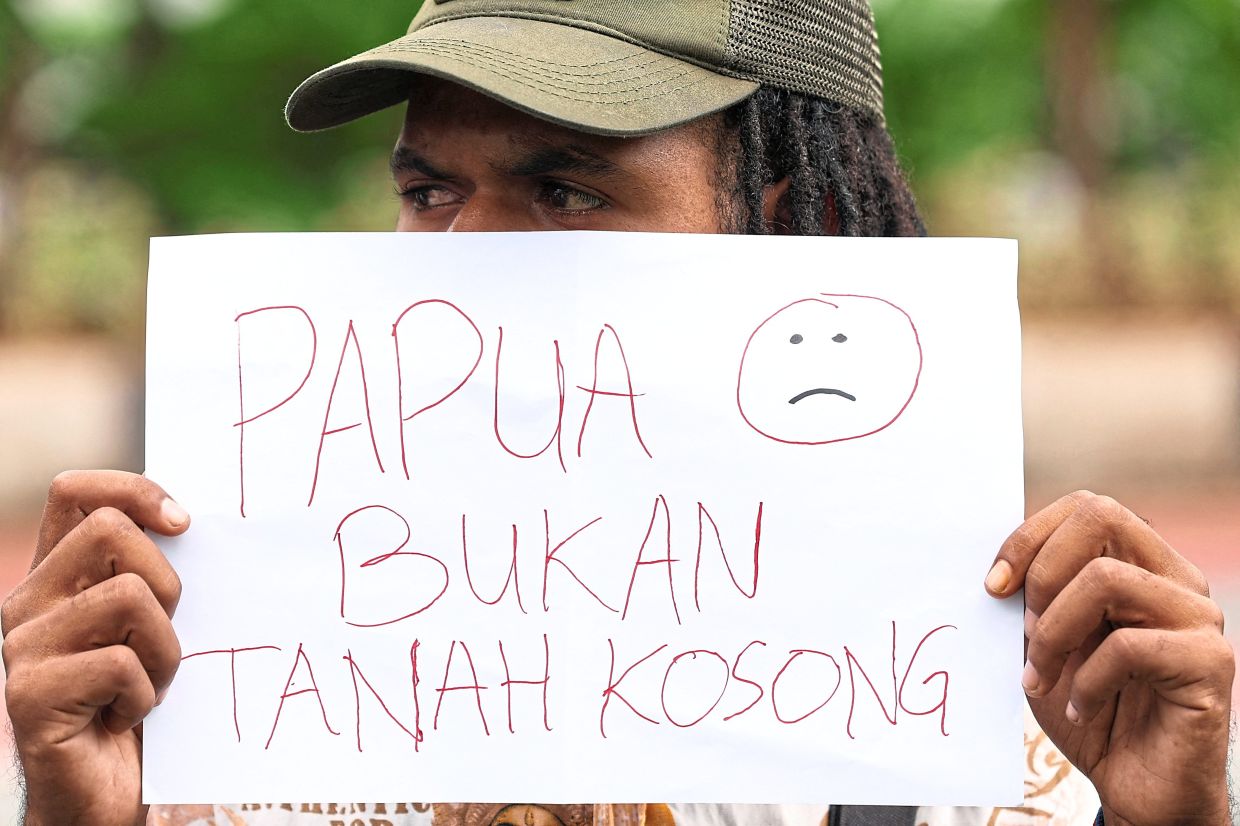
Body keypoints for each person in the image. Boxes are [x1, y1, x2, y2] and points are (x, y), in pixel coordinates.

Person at [2, 1, 1233, 825]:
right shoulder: (220, 692)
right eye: (429, 189)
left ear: (787, 218)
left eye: (565, 188)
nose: (462, 256)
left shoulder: (1033, 707)